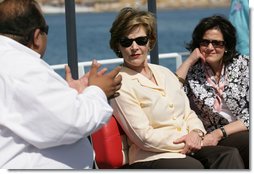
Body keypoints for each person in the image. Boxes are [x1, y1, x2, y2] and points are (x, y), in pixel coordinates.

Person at [109, 7, 244, 169]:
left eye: (141, 40)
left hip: (189, 146)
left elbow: (189, 114)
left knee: (227, 155)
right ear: (118, 46)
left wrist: (196, 133)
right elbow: (144, 137)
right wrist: (185, 142)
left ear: (149, 42)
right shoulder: (120, 83)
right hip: (151, 155)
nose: (134, 47)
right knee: (192, 167)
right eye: (126, 42)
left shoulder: (164, 73)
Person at [0, 0, 122, 169]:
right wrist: (98, 91)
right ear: (37, 37)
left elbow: (34, 112)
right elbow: (74, 121)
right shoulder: (21, 67)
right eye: (46, 31)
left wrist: (71, 94)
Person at [175, 15, 249, 168]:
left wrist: (219, 133)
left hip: (235, 130)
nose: (210, 48)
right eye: (205, 42)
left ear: (226, 45)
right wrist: (189, 60)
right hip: (208, 135)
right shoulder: (193, 72)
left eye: (217, 43)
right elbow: (172, 92)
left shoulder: (245, 66)